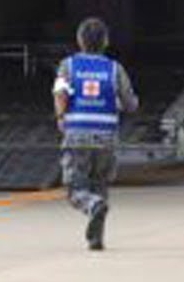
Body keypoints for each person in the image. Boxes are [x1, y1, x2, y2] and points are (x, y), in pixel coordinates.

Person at [52, 17, 138, 251]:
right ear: (106, 42)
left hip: (77, 134)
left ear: (79, 40)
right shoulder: (114, 69)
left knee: (75, 189)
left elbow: (60, 93)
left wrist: (61, 117)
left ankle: (92, 206)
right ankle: (96, 238)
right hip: (106, 138)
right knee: (100, 185)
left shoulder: (68, 66)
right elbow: (130, 104)